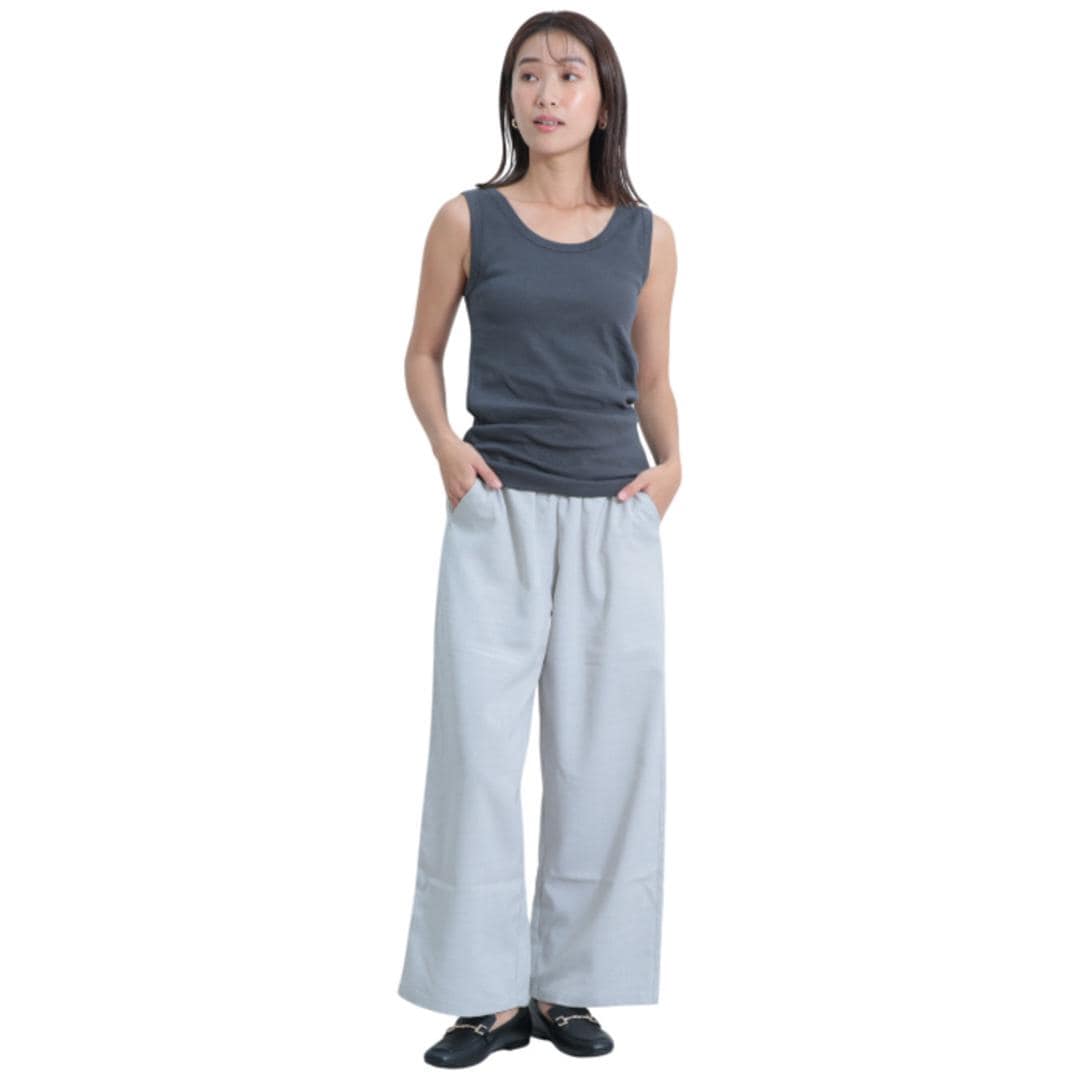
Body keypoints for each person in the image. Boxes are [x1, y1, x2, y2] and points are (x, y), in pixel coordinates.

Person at [397, 12, 680, 1069]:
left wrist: (675, 467)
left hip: (613, 513)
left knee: (604, 757)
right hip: (498, 508)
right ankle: (482, 998)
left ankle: (565, 989)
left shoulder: (648, 236)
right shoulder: (466, 220)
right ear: (509, 98)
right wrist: (445, 448)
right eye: (527, 76)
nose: (546, 93)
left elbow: (653, 376)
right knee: (476, 755)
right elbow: (421, 353)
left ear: (603, 99)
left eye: (568, 75)